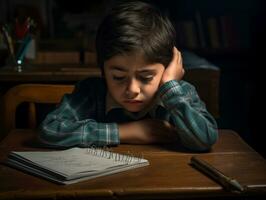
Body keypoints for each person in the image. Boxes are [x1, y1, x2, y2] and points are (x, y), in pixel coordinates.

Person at [39, 1, 218, 151]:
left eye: (146, 77)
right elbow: (49, 130)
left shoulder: (179, 93)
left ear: (168, 68)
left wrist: (171, 87)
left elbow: (205, 139)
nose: (132, 90)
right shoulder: (91, 92)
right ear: (103, 69)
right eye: (118, 77)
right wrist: (124, 131)